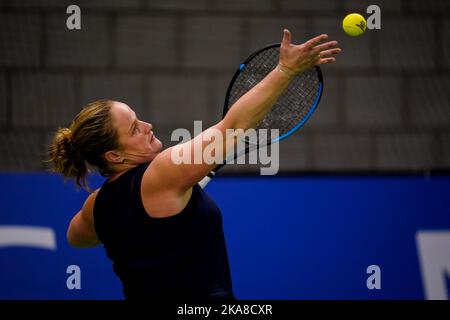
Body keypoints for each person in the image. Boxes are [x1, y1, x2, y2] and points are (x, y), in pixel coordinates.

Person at [48, 29, 340, 300]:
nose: (148, 126)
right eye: (135, 128)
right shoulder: (163, 173)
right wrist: (286, 70)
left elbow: (76, 239)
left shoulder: (95, 207)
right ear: (114, 156)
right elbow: (234, 126)